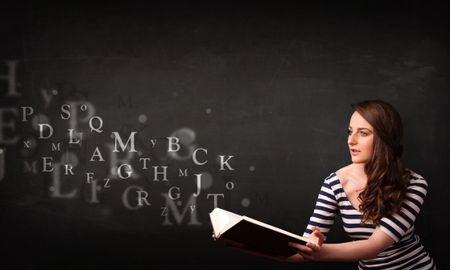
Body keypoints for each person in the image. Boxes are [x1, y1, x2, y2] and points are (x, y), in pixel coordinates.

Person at [288, 100, 435, 269]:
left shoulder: (414, 184)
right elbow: (302, 248)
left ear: (384, 138)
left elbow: (373, 247)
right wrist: (256, 245)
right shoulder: (334, 183)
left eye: (363, 133)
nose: (351, 140)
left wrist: (317, 252)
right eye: (350, 132)